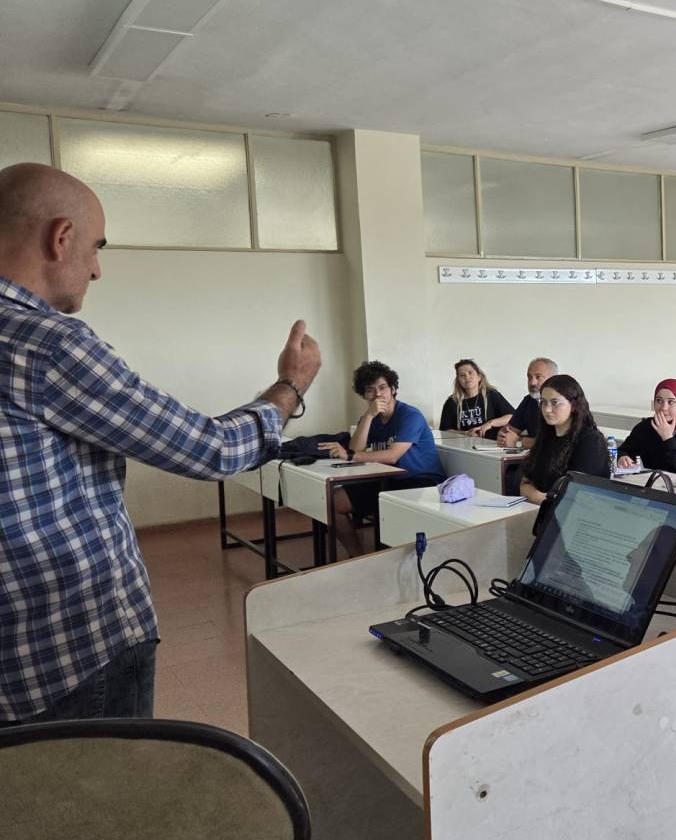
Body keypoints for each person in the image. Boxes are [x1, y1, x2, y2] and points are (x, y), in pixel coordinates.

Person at [0, 162, 320, 724]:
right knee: (112, 782)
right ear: (61, 238)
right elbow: (211, 449)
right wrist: (290, 387)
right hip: (74, 653)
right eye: (96, 248)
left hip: (15, 662)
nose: (96, 270)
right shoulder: (45, 344)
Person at [320, 361, 446, 557]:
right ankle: (358, 557)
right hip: (387, 480)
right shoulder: (371, 417)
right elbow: (356, 448)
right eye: (370, 390)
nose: (378, 394)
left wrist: (350, 455)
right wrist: (368, 416)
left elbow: (392, 456)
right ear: (364, 395)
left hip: (421, 481)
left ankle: (392, 557)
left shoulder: (410, 415)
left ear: (393, 389)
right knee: (332, 502)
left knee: (387, 505)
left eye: (382, 387)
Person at [517, 374, 609, 504]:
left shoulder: (590, 441)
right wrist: (537, 497)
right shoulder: (546, 436)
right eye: (543, 402)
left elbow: (576, 493)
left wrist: (538, 498)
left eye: (555, 403)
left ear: (574, 405)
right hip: (541, 508)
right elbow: (526, 480)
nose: (547, 410)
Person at [616, 378, 676, 474]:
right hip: (649, 482)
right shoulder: (645, 426)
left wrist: (667, 438)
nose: (664, 408)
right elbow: (622, 450)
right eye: (659, 401)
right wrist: (622, 457)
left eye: (671, 402)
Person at [438, 359, 514, 438]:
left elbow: (511, 417)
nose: (467, 377)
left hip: (491, 443)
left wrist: (490, 423)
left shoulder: (492, 395)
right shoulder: (452, 402)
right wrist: (465, 433)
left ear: (479, 377)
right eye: (462, 375)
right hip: (464, 444)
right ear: (458, 381)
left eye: (470, 373)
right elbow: (444, 431)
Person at [497, 357, 557, 449]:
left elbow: (556, 444)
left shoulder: (561, 404)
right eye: (529, 377)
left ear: (553, 379)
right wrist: (503, 437)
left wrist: (519, 441)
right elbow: (508, 431)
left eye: (538, 377)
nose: (532, 383)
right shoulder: (529, 401)